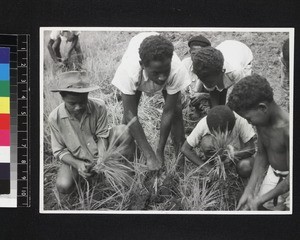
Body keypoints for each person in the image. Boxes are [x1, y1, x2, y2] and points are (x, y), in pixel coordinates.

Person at [112, 32, 191, 171]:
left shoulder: (176, 70)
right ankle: (131, 156)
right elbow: (131, 115)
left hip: (162, 66)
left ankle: (179, 158)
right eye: (156, 73)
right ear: (142, 65)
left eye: (165, 71)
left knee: (176, 112)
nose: (162, 78)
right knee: (128, 117)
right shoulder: (128, 71)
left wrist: (159, 151)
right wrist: (149, 154)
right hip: (136, 73)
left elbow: (169, 111)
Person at [48, 71, 135, 194]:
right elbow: (59, 151)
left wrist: (101, 158)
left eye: (82, 102)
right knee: (63, 185)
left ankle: (126, 169)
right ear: (62, 97)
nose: (78, 107)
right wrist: (78, 164)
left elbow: (102, 135)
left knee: (123, 131)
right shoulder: (54, 118)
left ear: (87, 94)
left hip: (100, 151)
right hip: (77, 157)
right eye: (72, 103)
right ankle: (86, 180)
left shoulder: (99, 106)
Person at [227, 74, 289, 210]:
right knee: (266, 207)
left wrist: (260, 199)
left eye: (249, 119)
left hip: (291, 181)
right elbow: (261, 155)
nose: (249, 123)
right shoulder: (262, 122)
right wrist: (249, 190)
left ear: (262, 108)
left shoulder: (288, 131)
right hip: (274, 173)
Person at [181, 105, 256, 177]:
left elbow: (252, 148)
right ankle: (214, 164)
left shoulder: (239, 120)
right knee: (206, 142)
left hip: (237, 157)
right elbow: (185, 149)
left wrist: (232, 155)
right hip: (216, 158)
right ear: (210, 129)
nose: (223, 137)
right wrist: (207, 167)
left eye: (226, 133)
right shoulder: (204, 123)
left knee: (244, 167)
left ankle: (233, 169)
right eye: (217, 134)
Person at [192, 40, 253, 107]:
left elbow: (241, 95)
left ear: (222, 72)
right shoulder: (208, 74)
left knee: (244, 95)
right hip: (225, 48)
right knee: (218, 92)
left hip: (242, 52)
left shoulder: (236, 72)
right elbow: (213, 92)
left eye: (211, 83)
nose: (208, 85)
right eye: (204, 82)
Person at [182, 35, 211, 120]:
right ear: (189, 52)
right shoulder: (185, 64)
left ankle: (207, 112)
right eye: (193, 53)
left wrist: (204, 95)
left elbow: (221, 94)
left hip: (207, 97)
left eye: (200, 54)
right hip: (190, 96)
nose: (196, 57)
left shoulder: (212, 65)